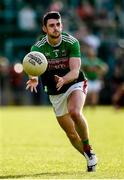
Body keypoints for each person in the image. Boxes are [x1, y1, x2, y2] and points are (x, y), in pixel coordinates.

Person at [26, 11, 97, 172]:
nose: (56, 28)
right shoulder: (38, 47)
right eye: (51, 25)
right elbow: (32, 67)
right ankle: (89, 156)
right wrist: (34, 78)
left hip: (74, 83)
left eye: (58, 24)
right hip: (54, 91)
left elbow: (75, 70)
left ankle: (87, 145)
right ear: (44, 28)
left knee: (75, 112)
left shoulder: (71, 42)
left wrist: (64, 79)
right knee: (71, 135)